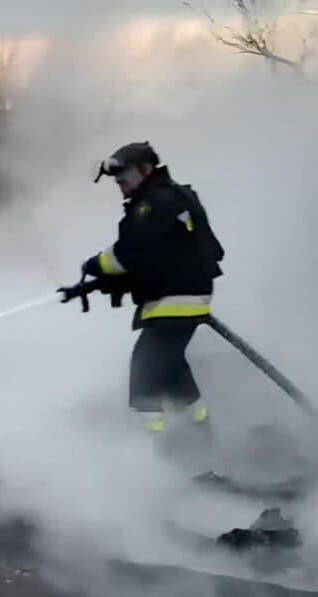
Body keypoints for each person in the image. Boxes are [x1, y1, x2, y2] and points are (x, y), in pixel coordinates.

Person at [81, 141, 225, 436]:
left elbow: (126, 255)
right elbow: (156, 256)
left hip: (174, 302)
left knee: (144, 377)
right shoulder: (169, 198)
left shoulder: (153, 204)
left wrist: (94, 266)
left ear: (146, 170)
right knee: (174, 374)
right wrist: (112, 282)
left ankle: (162, 456)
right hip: (183, 298)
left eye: (125, 178)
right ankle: (201, 450)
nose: (120, 184)